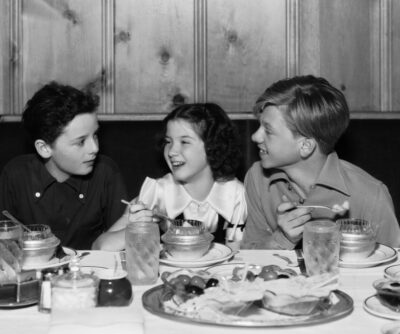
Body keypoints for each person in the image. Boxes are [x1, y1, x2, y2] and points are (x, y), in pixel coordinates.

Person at [241, 75, 400, 249]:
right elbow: (249, 256)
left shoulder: (370, 196)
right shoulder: (257, 178)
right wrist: (282, 239)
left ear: (306, 146)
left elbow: (393, 269)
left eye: (268, 131)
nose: (255, 136)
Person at [93, 103, 247, 251]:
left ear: (213, 146)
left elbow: (237, 257)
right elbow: (100, 247)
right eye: (168, 141)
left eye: (184, 142)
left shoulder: (235, 195)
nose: (172, 151)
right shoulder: (158, 193)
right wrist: (139, 228)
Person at [0, 82, 128, 250]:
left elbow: (120, 241)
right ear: (44, 148)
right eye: (81, 141)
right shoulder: (16, 175)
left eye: (95, 135)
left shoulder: (106, 172)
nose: (94, 148)